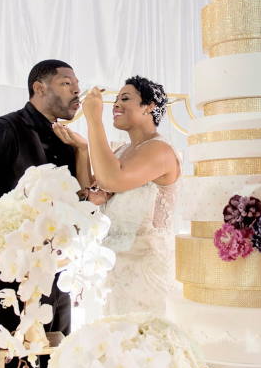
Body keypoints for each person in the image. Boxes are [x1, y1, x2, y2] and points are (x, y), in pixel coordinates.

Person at [0, 59, 82, 368]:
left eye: (78, 84)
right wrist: (17, 243)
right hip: (4, 278)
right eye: (67, 83)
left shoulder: (70, 143)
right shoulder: (0, 131)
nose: (77, 90)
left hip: (56, 280)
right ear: (40, 88)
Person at [51, 75, 180, 316]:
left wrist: (93, 119)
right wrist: (82, 151)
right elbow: (89, 192)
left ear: (150, 106)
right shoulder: (121, 150)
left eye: (126, 98)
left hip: (146, 272)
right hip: (112, 269)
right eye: (116, 99)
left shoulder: (160, 150)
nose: (116, 105)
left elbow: (112, 179)